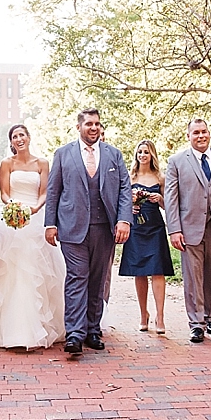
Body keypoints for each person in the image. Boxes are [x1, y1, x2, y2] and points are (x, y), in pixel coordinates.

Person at [45, 108, 132, 355]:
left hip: (105, 228)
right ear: (79, 127)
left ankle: (93, 329)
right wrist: (50, 224)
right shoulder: (63, 154)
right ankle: (74, 334)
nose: (94, 128)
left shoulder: (114, 155)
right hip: (72, 228)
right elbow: (53, 191)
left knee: (98, 279)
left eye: (97, 124)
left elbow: (125, 189)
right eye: (89, 124)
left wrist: (124, 220)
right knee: (76, 278)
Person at [0, 124, 66, 349]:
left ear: (29, 137)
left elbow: (45, 192)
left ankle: (42, 327)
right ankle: (9, 330)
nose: (19, 139)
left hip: (35, 219)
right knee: (11, 270)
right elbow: (4, 192)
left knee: (39, 272)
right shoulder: (7, 163)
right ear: (11, 142)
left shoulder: (42, 163)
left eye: (22, 135)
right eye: (15, 137)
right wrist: (14, 207)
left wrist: (34, 209)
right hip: (12, 220)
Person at [164, 119, 211, 344]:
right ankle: (196, 324)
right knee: (193, 277)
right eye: (196, 132)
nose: (201, 136)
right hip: (189, 227)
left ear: (210, 133)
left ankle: (209, 316)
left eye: (204, 132)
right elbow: (171, 198)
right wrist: (174, 229)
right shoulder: (176, 161)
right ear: (188, 136)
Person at [119, 140, 173, 335]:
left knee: (157, 271)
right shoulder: (129, 176)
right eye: (140, 152)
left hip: (155, 227)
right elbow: (121, 202)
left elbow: (170, 206)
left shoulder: (160, 177)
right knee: (139, 271)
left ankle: (160, 316)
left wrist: (160, 199)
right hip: (136, 228)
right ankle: (144, 314)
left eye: (146, 152)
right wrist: (129, 207)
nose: (143, 155)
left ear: (152, 155)